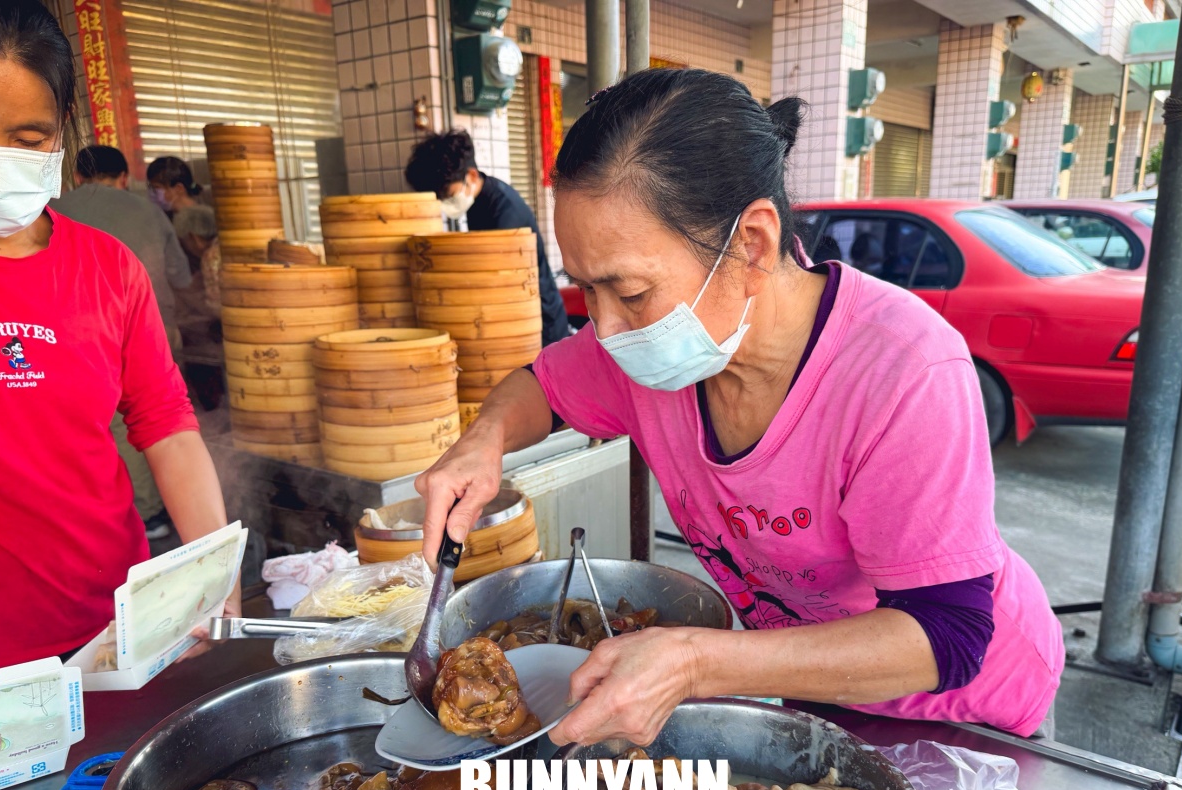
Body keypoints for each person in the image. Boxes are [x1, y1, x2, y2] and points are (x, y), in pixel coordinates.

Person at [415, 69, 1063, 745]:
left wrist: (696, 662)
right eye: (585, 291)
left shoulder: (904, 371)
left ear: (752, 244)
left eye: (631, 292)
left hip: (968, 717)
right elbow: (543, 387)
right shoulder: (645, 354)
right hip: (821, 695)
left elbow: (946, 637)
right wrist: (482, 440)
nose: (603, 331)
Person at [0, 0, 237, 673]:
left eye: (25, 138)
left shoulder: (107, 268)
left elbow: (165, 422)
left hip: (116, 636)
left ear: (62, 135)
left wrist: (214, 568)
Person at [51, 144, 193, 539]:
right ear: (124, 178)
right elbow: (181, 277)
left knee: (115, 423)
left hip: (86, 341)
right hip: (160, 333)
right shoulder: (150, 211)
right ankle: (173, 509)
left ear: (76, 177)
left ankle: (146, 512)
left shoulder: (53, 213)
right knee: (167, 419)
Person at [405, 130, 570, 346]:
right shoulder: (480, 198)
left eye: (447, 194)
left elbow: (498, 286)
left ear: (471, 176)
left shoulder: (505, 214)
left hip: (537, 325)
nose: (444, 202)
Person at [171, 203, 225, 411]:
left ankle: (212, 406)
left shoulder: (210, 256)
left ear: (193, 237)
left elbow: (214, 306)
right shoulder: (223, 246)